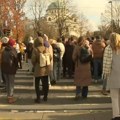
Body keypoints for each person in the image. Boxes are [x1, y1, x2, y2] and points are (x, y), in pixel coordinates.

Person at [102, 33, 120, 120]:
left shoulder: (108, 48)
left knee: (114, 97)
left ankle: (116, 115)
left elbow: (106, 63)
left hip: (113, 74)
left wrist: (105, 74)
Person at [31, 37, 52, 103]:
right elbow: (50, 57)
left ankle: (38, 98)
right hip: (46, 69)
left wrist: (35, 65)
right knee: (45, 84)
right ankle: (45, 97)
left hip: (38, 68)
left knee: (37, 84)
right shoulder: (46, 48)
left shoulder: (35, 49)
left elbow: (33, 60)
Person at [1, 39, 18, 103]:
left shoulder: (4, 50)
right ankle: (10, 98)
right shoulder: (13, 51)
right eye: (14, 44)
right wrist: (16, 67)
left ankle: (8, 96)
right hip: (11, 69)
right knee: (11, 84)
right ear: (12, 44)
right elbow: (16, 61)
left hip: (4, 69)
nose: (15, 45)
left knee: (7, 83)